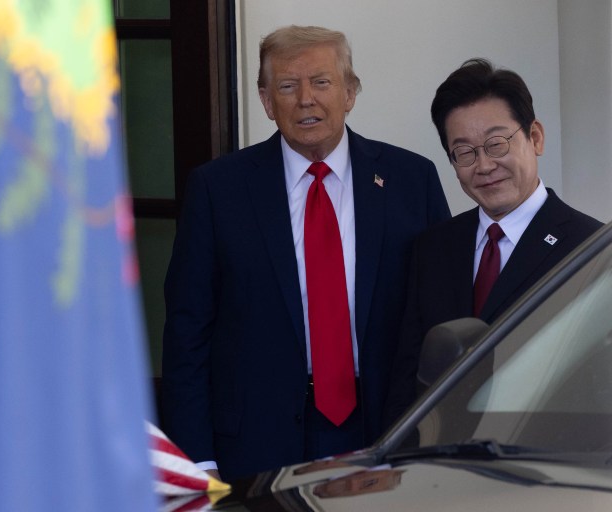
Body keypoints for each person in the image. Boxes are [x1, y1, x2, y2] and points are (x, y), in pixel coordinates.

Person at [160, 25, 450, 481]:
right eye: (287, 86)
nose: (305, 99)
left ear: (350, 92)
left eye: (321, 82)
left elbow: (443, 321)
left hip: (386, 434)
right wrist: (196, 461)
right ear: (265, 100)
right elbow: (187, 333)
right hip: (256, 443)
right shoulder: (219, 190)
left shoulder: (412, 180)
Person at [384, 58, 603, 426]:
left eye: (496, 144)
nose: (484, 166)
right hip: (442, 464)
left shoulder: (591, 248)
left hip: (544, 465)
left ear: (535, 137)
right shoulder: (433, 247)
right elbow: (408, 377)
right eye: (465, 152)